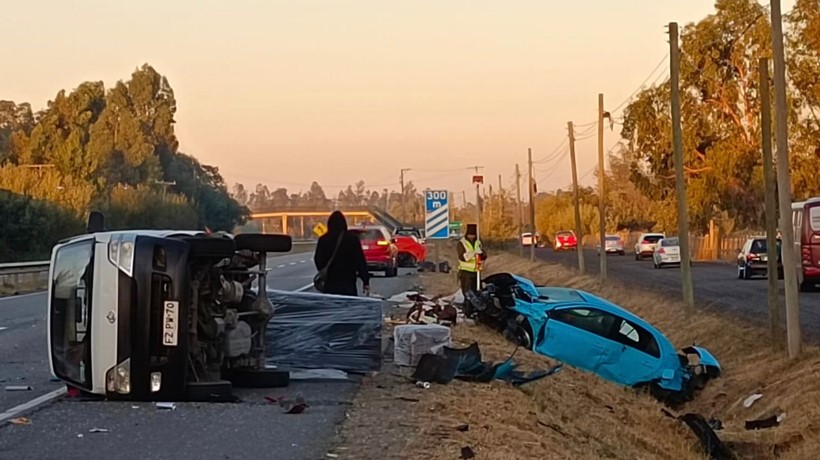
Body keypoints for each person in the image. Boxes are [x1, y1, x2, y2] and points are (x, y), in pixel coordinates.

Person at [314, 211, 370, 296]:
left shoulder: (323, 240)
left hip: (330, 283)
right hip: (348, 282)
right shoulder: (352, 239)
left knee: (332, 306)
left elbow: (318, 259)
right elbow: (360, 261)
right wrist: (365, 280)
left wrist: (325, 270)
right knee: (348, 306)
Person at [457, 224, 487, 296]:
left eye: (473, 235)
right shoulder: (462, 243)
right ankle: (467, 306)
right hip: (466, 272)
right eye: (470, 235)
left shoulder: (478, 242)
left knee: (478, 293)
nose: (472, 237)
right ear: (467, 234)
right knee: (468, 294)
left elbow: (484, 256)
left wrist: (482, 253)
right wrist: (474, 253)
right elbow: (463, 257)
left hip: (477, 271)